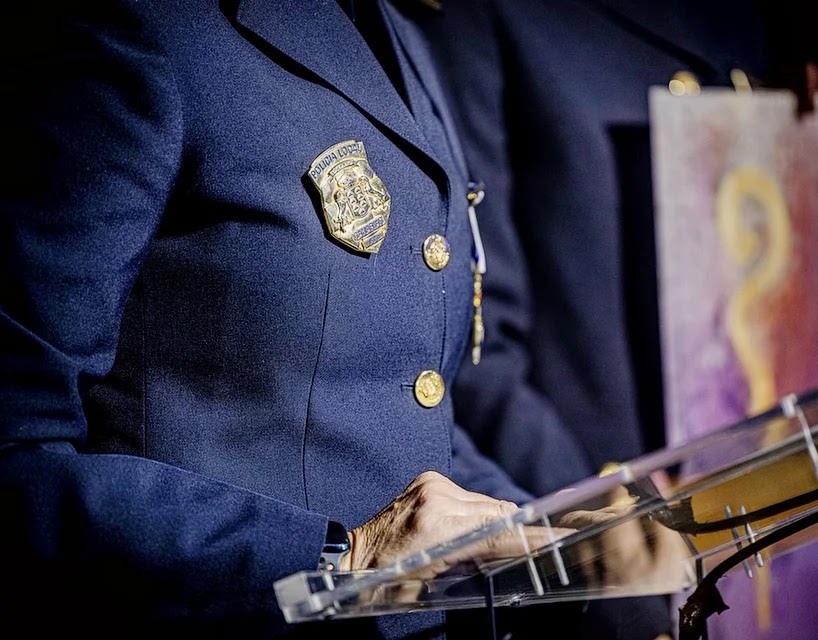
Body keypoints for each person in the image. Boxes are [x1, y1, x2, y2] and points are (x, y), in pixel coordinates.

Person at [0, 0, 560, 636]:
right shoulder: (143, 28)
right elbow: (17, 448)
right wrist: (341, 561)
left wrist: (568, 535)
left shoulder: (396, 34)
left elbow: (395, 412)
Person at [422, 2, 818, 639]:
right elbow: (483, 356)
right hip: (621, 560)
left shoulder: (735, 22)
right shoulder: (488, 21)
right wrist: (613, 537)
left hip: (780, 547)